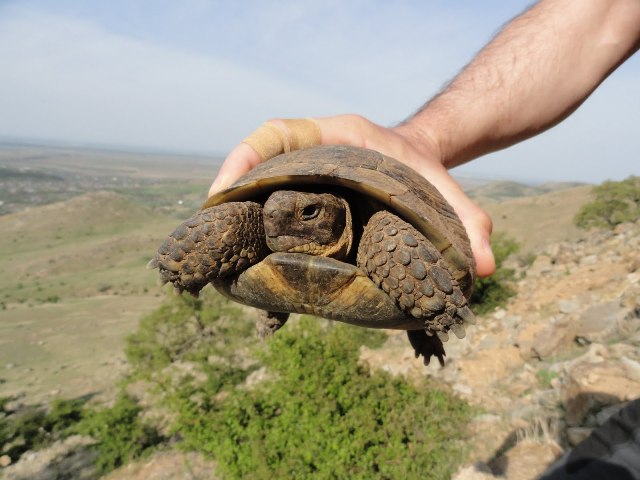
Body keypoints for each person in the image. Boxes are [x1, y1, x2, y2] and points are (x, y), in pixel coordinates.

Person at [209, 0, 640, 477]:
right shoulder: (263, 219)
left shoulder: (380, 232)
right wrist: (420, 139)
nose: (278, 219)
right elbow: (602, 17)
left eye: (310, 213)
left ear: (340, 216)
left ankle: (424, 327)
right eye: (273, 213)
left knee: (393, 248)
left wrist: (432, 311)